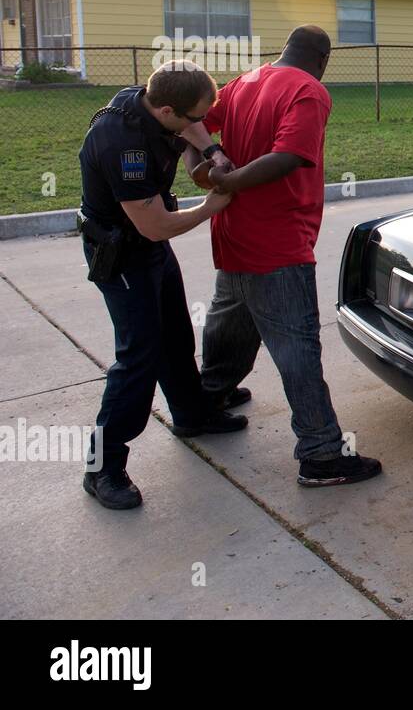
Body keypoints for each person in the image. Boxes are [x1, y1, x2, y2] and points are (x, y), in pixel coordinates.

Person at [188, 25, 382, 488]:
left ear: (285, 49)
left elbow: (191, 125)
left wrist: (206, 165)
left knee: (229, 321)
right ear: (322, 59)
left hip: (231, 232)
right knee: (297, 346)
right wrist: (225, 180)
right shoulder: (308, 91)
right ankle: (320, 453)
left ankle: (207, 401)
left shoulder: (244, 82)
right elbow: (288, 157)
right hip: (278, 244)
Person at [78, 60, 248, 510]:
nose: (199, 126)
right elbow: (156, 227)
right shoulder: (122, 146)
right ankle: (103, 468)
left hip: (145, 246)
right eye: (194, 117)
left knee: (175, 332)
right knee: (138, 357)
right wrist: (213, 206)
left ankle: (192, 415)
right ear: (168, 109)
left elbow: (191, 129)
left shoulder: (149, 100)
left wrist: (212, 151)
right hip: (123, 252)